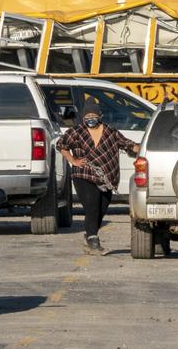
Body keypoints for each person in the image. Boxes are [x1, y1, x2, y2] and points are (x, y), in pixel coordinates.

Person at [55, 100, 139, 255]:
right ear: (83, 118)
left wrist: (142, 148)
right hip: (84, 174)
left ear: (100, 116)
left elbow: (127, 144)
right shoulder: (76, 132)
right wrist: (73, 160)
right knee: (92, 205)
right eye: (87, 116)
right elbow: (61, 145)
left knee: (101, 208)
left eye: (93, 115)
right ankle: (94, 239)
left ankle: (89, 235)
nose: (90, 119)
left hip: (107, 178)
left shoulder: (111, 132)